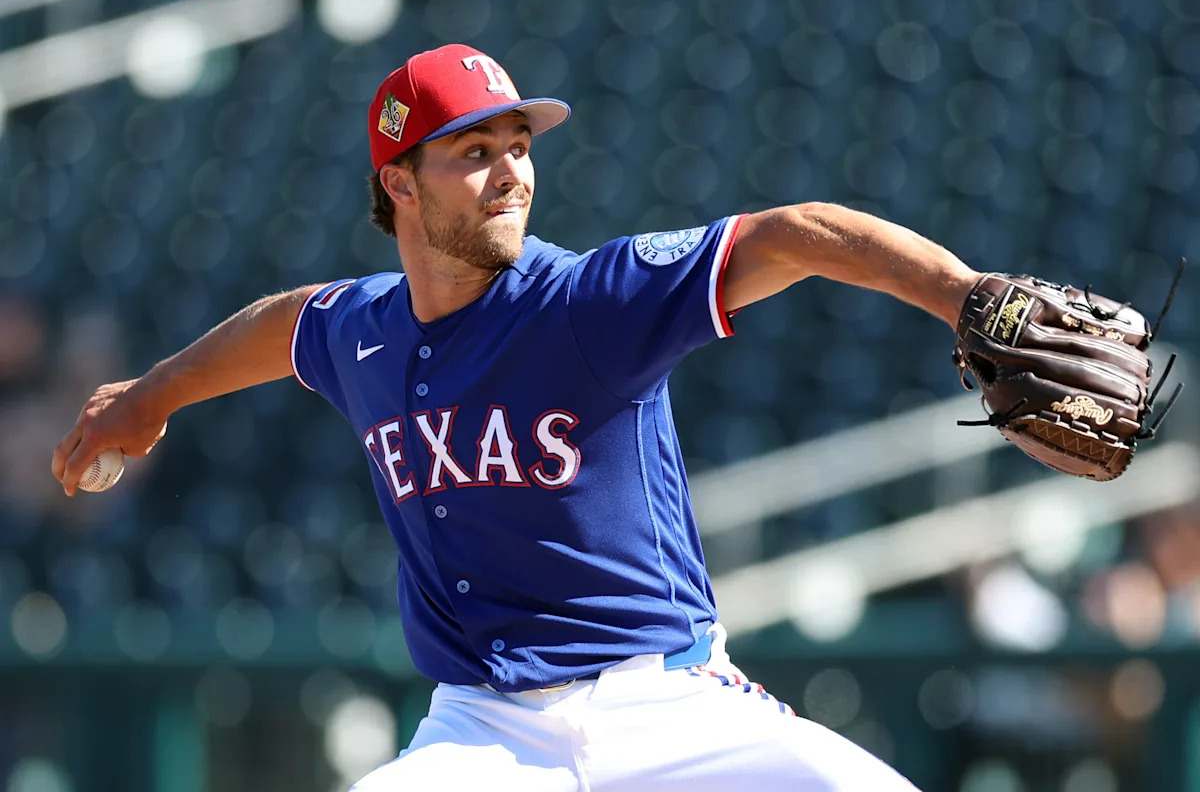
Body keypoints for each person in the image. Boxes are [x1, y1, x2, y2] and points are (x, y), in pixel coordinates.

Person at [52, 44, 981, 791]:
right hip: (484, 728)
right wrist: (148, 398)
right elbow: (280, 324)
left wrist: (966, 297)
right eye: (474, 151)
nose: (511, 174)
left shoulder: (588, 302)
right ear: (402, 185)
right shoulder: (361, 330)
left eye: (519, 145)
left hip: (668, 705)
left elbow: (794, 234)